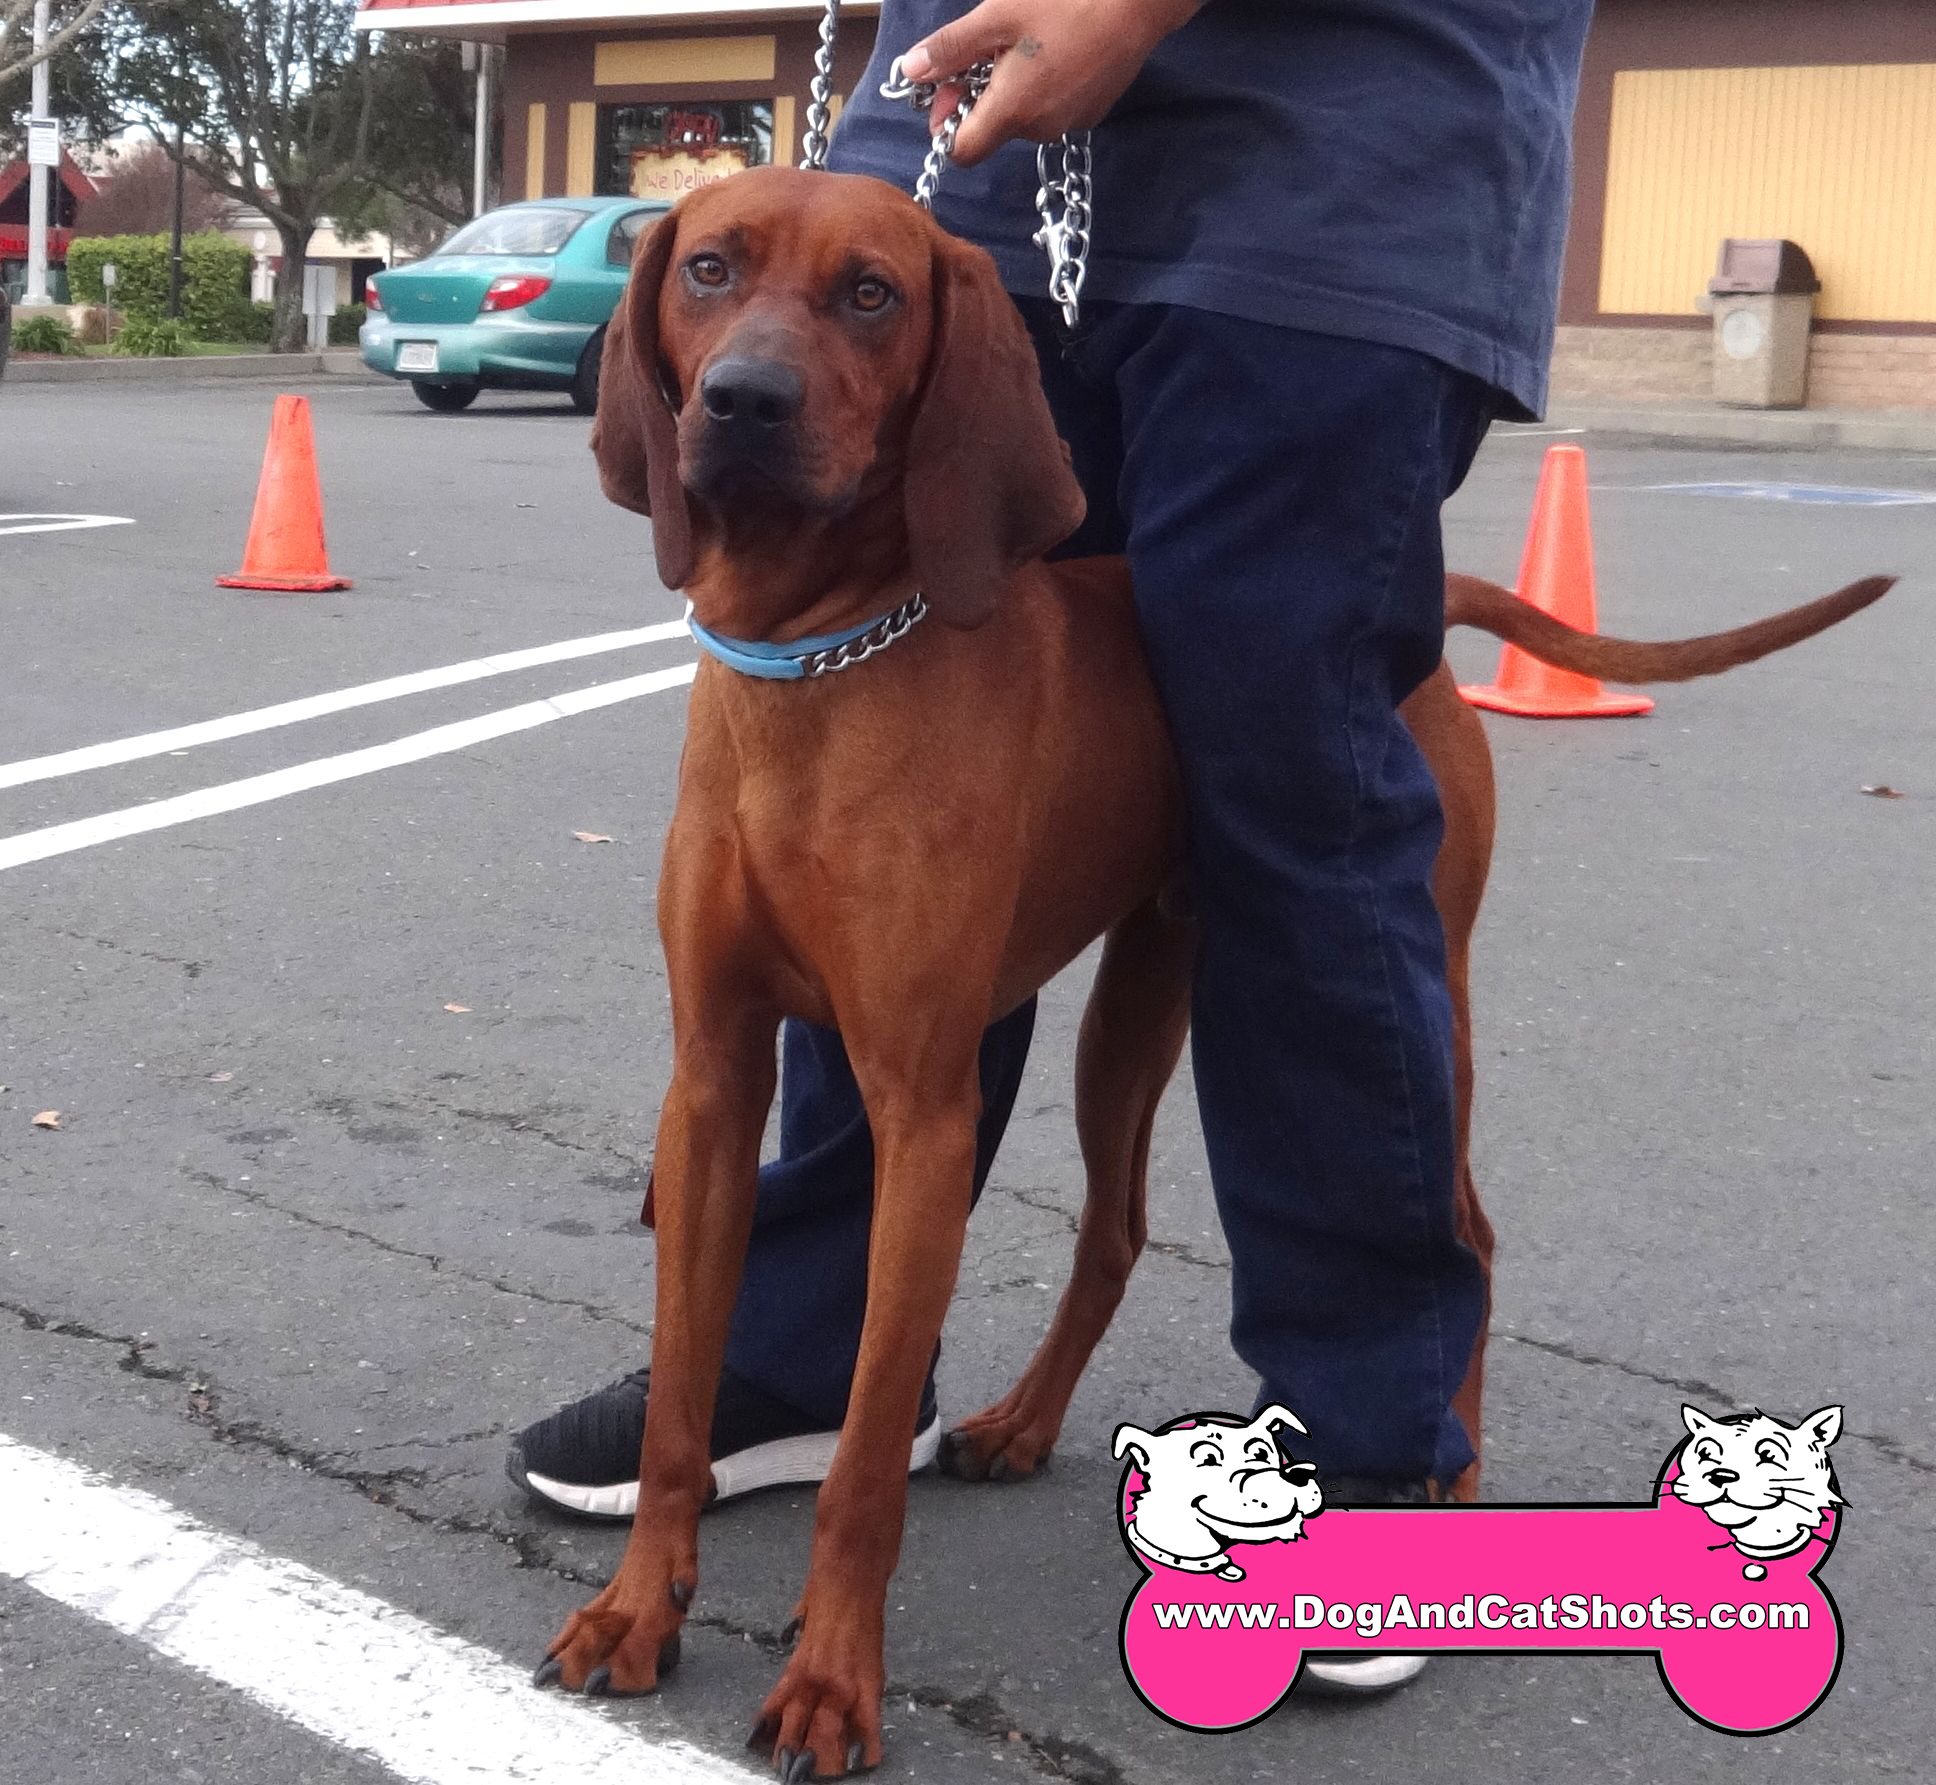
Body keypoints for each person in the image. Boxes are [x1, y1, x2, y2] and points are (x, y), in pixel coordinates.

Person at [510, 0, 1595, 1694]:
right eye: (710, 297)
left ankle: (1374, 1432)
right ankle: (800, 1353)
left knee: (1286, 773)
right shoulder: (797, 278)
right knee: (917, 669)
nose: (740, 355)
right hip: (975, 141)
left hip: (1334, 162)